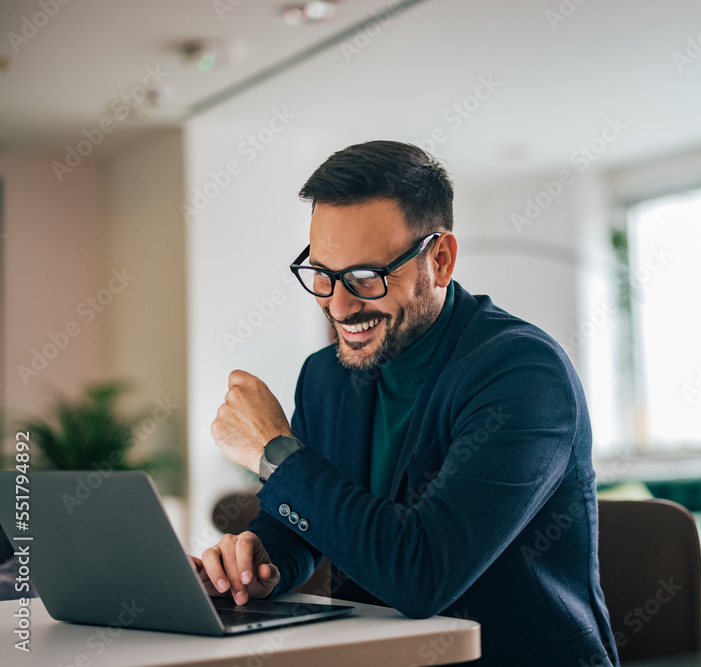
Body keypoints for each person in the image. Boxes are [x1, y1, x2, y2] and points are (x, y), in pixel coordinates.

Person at [191, 141, 619, 666]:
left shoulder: (525, 376)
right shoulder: (324, 377)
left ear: (439, 260)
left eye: (366, 278)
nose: (338, 305)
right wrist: (260, 563)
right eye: (322, 274)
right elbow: (302, 524)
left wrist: (274, 451)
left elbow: (421, 573)